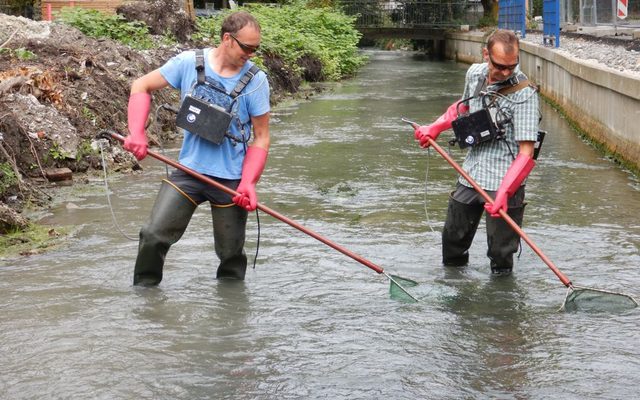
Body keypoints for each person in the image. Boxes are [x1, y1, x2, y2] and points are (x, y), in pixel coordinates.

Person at [123, 11, 270, 285]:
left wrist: (249, 182)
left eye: (256, 49)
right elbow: (141, 86)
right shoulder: (189, 63)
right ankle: (144, 300)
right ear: (227, 39)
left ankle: (230, 312)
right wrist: (137, 132)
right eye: (247, 47)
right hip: (188, 171)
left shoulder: (257, 82)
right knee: (153, 235)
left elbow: (261, 138)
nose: (251, 54)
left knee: (231, 254)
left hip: (230, 181)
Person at [414, 29, 540, 276]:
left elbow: (527, 152)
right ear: (486, 55)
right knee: (452, 240)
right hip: (472, 171)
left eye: (511, 67)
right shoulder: (475, 74)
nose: (505, 72)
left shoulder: (525, 94)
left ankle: (499, 306)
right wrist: (434, 128)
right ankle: (455, 293)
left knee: (501, 255)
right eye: (500, 66)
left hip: (506, 178)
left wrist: (505, 192)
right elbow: (461, 109)